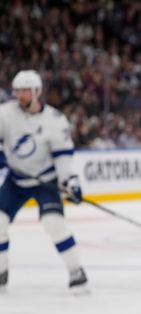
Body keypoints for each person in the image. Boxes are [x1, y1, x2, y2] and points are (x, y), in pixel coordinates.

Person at [0, 70, 87, 292]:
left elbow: (63, 157)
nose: (20, 96)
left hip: (45, 181)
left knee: (54, 224)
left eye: (25, 91)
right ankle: (1, 271)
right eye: (17, 91)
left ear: (37, 92)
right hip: (16, 180)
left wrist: (70, 182)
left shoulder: (55, 121)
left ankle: (76, 271)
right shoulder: (5, 113)